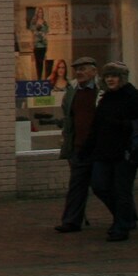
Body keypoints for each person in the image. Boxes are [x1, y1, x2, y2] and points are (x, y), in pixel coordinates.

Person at [81, 60, 138, 241]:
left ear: (122, 78)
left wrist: (123, 125)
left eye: (114, 76)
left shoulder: (136, 97)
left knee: (122, 189)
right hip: (104, 151)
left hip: (126, 151)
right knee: (99, 186)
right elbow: (96, 127)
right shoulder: (105, 99)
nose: (110, 80)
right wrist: (86, 149)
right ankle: (126, 216)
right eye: (107, 76)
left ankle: (121, 226)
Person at [53, 57, 99, 232]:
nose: (79, 72)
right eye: (77, 69)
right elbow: (69, 119)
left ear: (94, 71)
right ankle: (71, 221)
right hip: (79, 147)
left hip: (99, 147)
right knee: (77, 186)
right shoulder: (72, 93)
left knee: (103, 186)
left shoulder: (101, 91)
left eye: (83, 69)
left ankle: (126, 216)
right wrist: (68, 144)